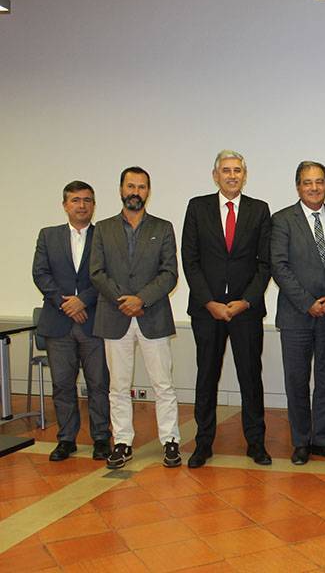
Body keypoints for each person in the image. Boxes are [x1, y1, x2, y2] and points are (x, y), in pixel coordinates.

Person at [181, 150, 272, 468]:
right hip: (207, 310)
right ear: (215, 175)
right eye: (226, 170)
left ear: (244, 176)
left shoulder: (259, 210)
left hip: (246, 311)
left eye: (237, 170)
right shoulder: (197, 207)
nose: (232, 175)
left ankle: (256, 443)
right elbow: (190, 260)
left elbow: (265, 264)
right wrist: (210, 302)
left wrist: (245, 301)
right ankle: (203, 444)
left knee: (251, 377)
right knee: (206, 376)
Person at [89, 167, 180, 469]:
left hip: (152, 314)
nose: (135, 192)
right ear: (120, 189)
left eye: (141, 187)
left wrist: (141, 299)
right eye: (131, 186)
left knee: (163, 384)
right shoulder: (103, 229)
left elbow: (169, 273)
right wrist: (123, 301)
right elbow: (96, 272)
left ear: (148, 192)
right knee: (118, 386)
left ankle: (170, 440)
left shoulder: (163, 228)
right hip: (114, 316)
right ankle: (122, 442)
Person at [271, 161, 325, 465]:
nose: (314, 187)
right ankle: (301, 441)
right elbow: (279, 266)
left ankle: (324, 440)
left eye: (319, 182)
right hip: (296, 315)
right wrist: (307, 302)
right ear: (298, 186)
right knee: (297, 381)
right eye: (308, 182)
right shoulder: (282, 220)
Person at [32, 181, 111, 462]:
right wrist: (66, 303)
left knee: (98, 384)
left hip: (93, 322)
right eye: (76, 200)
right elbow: (40, 273)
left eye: (87, 200)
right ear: (65, 205)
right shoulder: (48, 235)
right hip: (59, 322)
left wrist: (83, 300)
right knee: (62, 385)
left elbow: (108, 275)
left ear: (94, 205)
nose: (82, 205)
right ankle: (66, 439)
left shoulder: (104, 236)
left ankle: (101, 438)